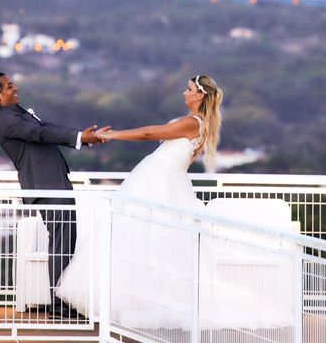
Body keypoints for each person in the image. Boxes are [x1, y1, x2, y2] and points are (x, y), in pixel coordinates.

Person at [55, 74, 223, 328]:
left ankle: (135, 304)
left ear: (199, 95)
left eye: (188, 89)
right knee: (143, 243)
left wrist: (113, 136)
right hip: (164, 180)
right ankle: (137, 301)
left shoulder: (192, 122)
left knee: (134, 239)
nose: (183, 93)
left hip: (157, 182)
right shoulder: (200, 124)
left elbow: (149, 133)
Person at [0, 72, 107, 320]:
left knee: (64, 242)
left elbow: (46, 128)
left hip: (53, 183)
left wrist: (82, 137)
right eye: (9, 86)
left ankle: (61, 301)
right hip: (46, 186)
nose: (15, 88)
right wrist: (80, 137)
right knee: (60, 243)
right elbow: (41, 134)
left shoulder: (15, 113)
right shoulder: (6, 120)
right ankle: (58, 304)